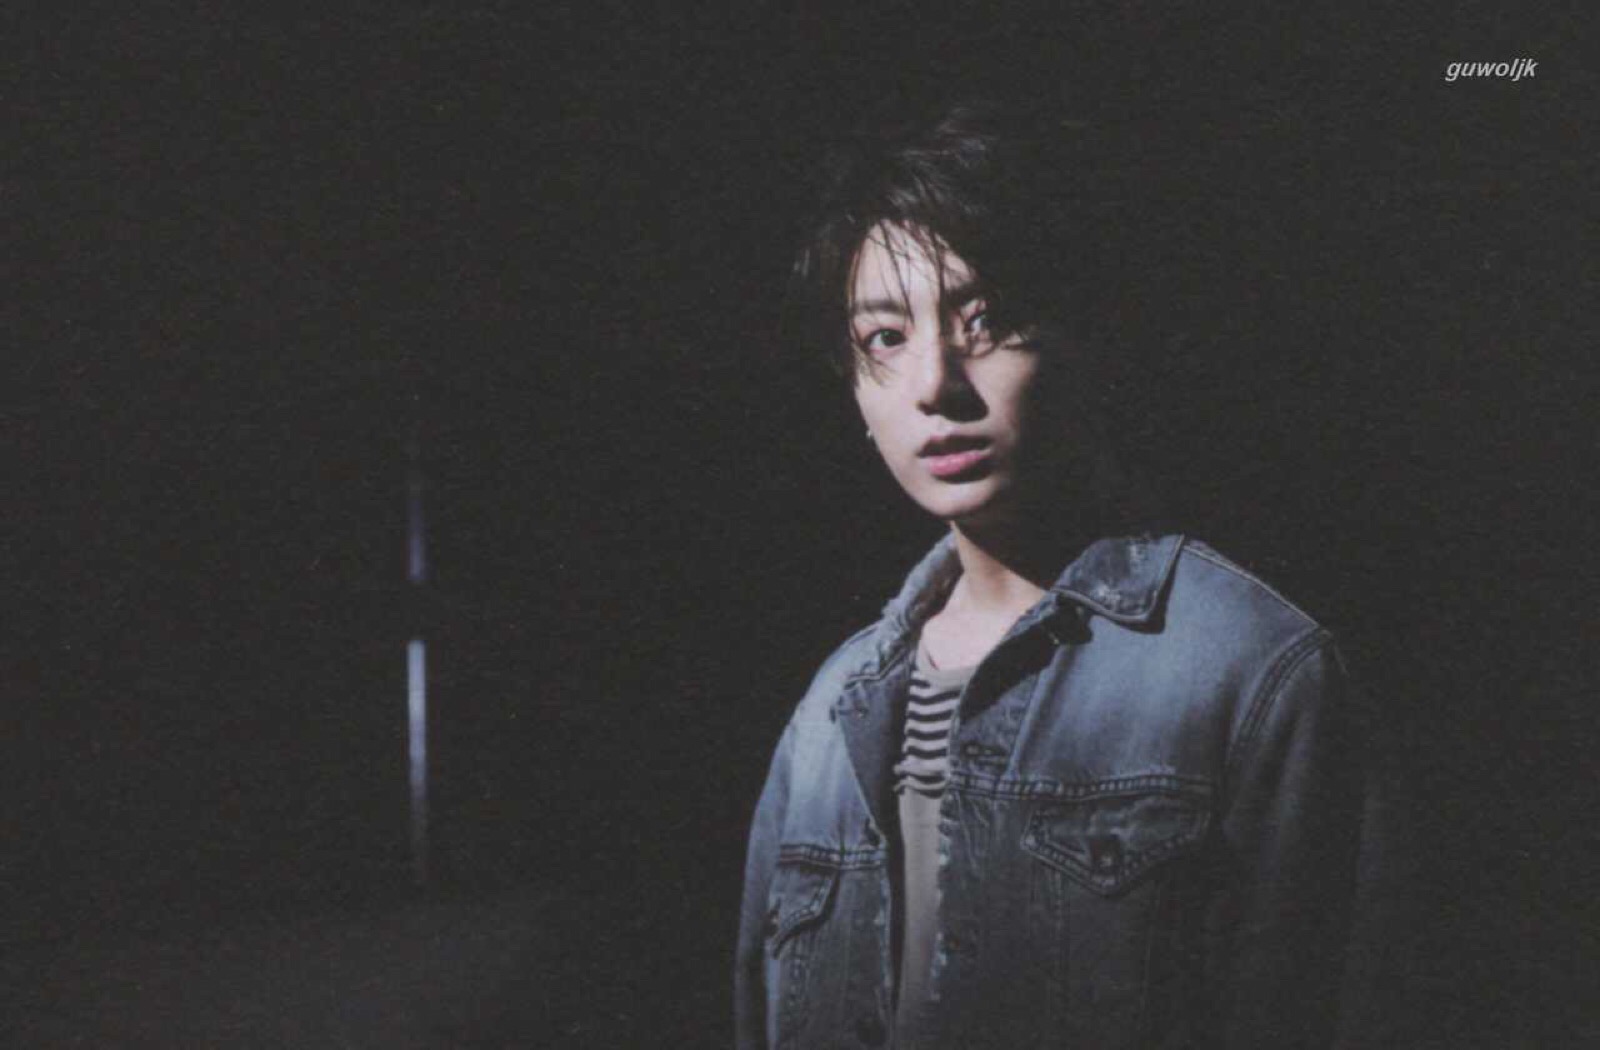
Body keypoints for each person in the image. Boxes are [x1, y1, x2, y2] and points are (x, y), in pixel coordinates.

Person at [735, 99, 1366, 1050]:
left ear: (1080, 338)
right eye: (885, 338)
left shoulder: (1251, 673)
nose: (935, 386)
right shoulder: (828, 715)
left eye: (985, 320)